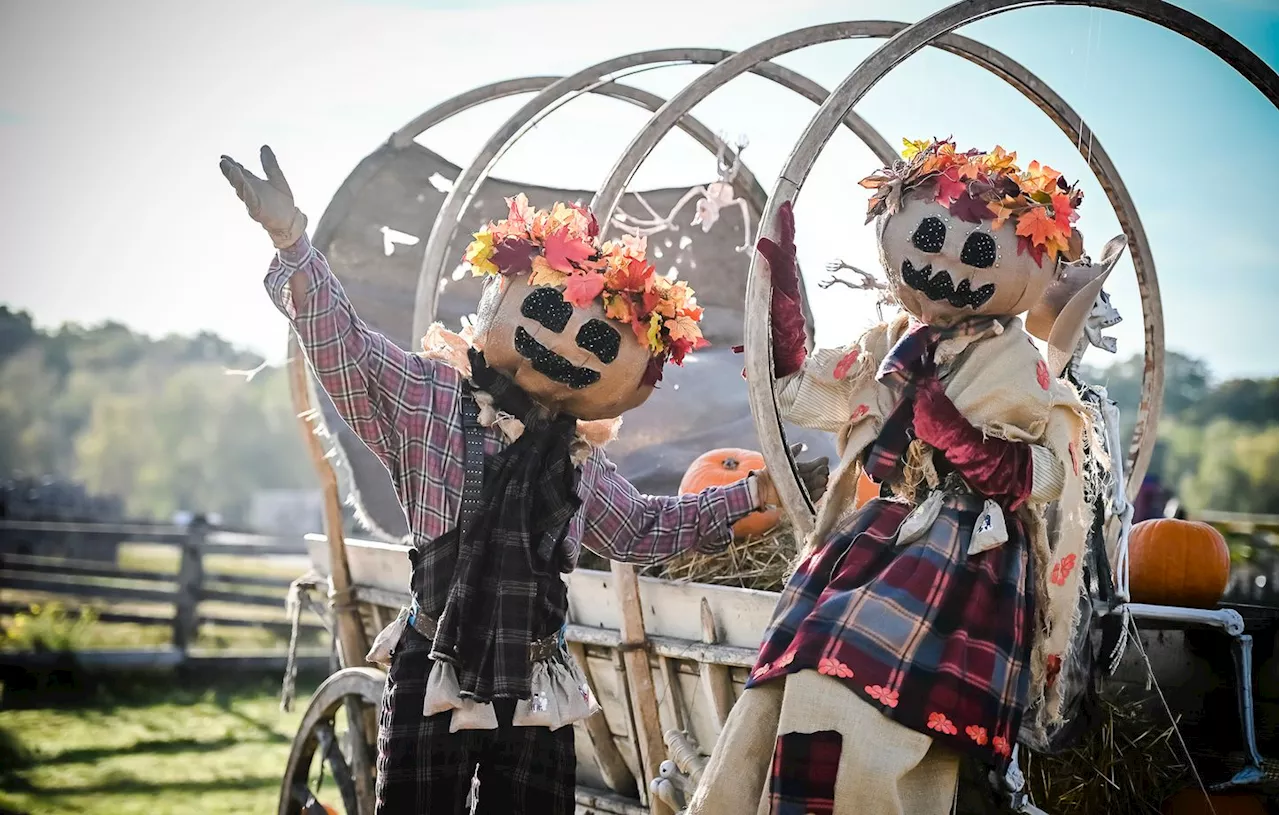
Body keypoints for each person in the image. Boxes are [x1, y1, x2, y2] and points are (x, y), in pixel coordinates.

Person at [218, 146, 828, 815]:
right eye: (548, 311)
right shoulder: (428, 403)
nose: (567, 344)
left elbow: (640, 527)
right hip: (438, 663)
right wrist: (292, 242)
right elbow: (346, 348)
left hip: (539, 682)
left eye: (598, 345)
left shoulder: (572, 456)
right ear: (501, 299)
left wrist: (751, 494)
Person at [689, 138, 1123, 814]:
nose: (950, 267)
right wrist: (779, 298)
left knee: (853, 694)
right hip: (882, 537)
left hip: (961, 554)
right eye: (930, 239)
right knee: (791, 673)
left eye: (979, 253)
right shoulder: (889, 340)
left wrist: (955, 434)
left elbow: (1044, 474)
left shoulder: (1020, 367)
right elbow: (806, 388)